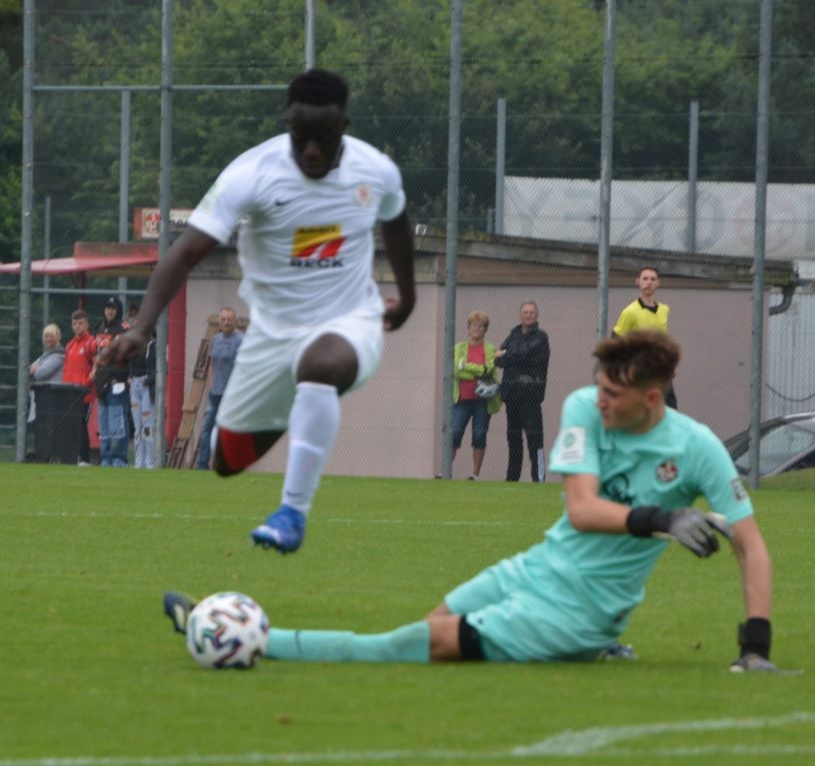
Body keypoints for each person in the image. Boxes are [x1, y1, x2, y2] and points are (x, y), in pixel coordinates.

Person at [163, 330, 778, 671]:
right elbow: (582, 510)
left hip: (575, 612)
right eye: (599, 388)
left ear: (653, 399)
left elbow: (750, 547)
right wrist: (663, 518)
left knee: (406, 647)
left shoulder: (697, 449)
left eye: (614, 395)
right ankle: (601, 646)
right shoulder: (584, 409)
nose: (600, 401)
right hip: (536, 568)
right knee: (431, 627)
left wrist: (755, 648)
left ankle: (247, 638)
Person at [99, 69, 416, 553]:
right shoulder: (252, 172)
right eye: (301, 136)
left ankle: (292, 512)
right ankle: (304, 407)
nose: (312, 149)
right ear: (287, 121)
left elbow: (396, 223)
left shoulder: (376, 171)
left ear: (344, 126)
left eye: (324, 137)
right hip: (272, 333)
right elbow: (184, 254)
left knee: (321, 365)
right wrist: (141, 328)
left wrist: (407, 298)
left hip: (350, 319)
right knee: (225, 461)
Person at [495, 301, 550, 482]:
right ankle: (512, 479)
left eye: (531, 312)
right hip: (512, 395)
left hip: (530, 395)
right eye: (525, 312)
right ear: (520, 315)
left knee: (535, 441)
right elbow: (498, 359)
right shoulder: (513, 335)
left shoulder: (541, 338)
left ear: (537, 315)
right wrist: (508, 356)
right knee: (513, 441)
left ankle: (539, 478)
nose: (528, 315)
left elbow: (525, 356)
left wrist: (508, 355)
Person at [613, 266, 677, 409]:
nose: (649, 282)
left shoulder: (664, 310)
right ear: (638, 281)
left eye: (653, 279)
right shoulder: (630, 312)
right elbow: (616, 340)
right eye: (645, 279)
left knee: (670, 410)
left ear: (658, 283)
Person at [452, 310, 500, 480]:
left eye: (480, 327)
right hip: (462, 399)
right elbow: (456, 371)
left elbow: (488, 370)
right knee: (454, 433)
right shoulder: (459, 347)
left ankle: (475, 474)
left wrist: (466, 366)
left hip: (482, 400)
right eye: (473, 326)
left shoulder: (490, 349)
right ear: (468, 328)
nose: (476, 330)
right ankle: (446, 471)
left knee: (479, 435)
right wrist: (476, 371)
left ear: (485, 330)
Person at [195, 307, 244, 470]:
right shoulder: (215, 339)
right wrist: (211, 385)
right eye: (223, 319)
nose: (226, 322)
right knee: (206, 429)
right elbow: (212, 364)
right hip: (215, 394)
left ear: (234, 321)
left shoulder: (241, 340)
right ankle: (202, 465)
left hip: (233, 396)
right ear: (219, 322)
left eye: (229, 319)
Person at [92, 296, 131, 467]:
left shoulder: (124, 329)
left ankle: (119, 457)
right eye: (107, 307)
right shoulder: (100, 327)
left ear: (118, 310)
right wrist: (94, 371)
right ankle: (105, 457)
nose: (109, 310)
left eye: (113, 308)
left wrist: (119, 376)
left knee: (117, 421)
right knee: (104, 422)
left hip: (116, 381)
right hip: (101, 381)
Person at [63, 310, 97, 466]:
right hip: (69, 391)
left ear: (87, 324)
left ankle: (84, 458)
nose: (77, 326)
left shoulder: (91, 343)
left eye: (81, 323)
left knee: (81, 423)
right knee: (71, 424)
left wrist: (88, 381)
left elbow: (97, 365)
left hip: (84, 392)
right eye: (75, 323)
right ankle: (72, 456)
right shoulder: (69, 345)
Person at [128, 335, 158, 469]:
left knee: (148, 427)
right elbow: (126, 364)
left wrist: (147, 380)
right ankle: (138, 462)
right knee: (138, 428)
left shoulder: (154, 346)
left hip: (147, 387)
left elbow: (161, 369)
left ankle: (149, 462)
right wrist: (129, 377)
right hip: (134, 386)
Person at [27, 323, 65, 424]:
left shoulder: (58, 355)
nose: (49, 339)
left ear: (58, 337)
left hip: (50, 400)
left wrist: (37, 369)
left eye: (52, 336)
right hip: (42, 400)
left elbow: (41, 374)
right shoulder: (46, 355)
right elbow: (29, 368)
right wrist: (35, 369)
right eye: (46, 336)